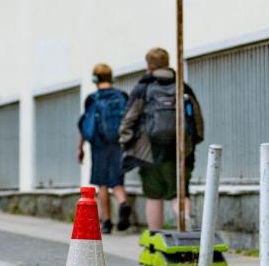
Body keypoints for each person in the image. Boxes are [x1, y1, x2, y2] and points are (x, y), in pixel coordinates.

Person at [119, 48, 205, 231]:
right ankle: (186, 226)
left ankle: (154, 238)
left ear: (148, 66)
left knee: (154, 196)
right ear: (167, 63)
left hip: (150, 152)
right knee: (179, 194)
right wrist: (192, 144)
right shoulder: (182, 86)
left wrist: (126, 143)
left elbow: (129, 119)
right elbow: (197, 119)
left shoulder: (143, 88)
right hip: (180, 152)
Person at [77, 64, 131, 234]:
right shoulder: (122, 96)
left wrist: (80, 148)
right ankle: (123, 203)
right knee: (117, 180)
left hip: (99, 145)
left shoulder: (92, 99)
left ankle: (106, 222)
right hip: (119, 144)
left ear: (95, 79)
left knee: (102, 184)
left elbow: (86, 125)